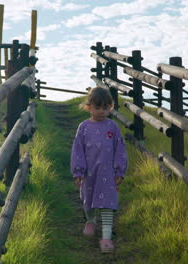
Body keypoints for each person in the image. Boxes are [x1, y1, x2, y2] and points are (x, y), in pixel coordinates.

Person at [70, 87, 128, 253]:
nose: (102, 111)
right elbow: (77, 150)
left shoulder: (113, 127)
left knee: (107, 204)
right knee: (88, 201)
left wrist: (119, 171)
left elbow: (120, 149)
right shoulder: (84, 127)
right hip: (89, 174)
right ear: (89, 107)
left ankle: (106, 238)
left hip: (108, 174)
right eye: (98, 107)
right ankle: (90, 220)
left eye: (106, 107)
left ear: (111, 106)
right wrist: (78, 171)